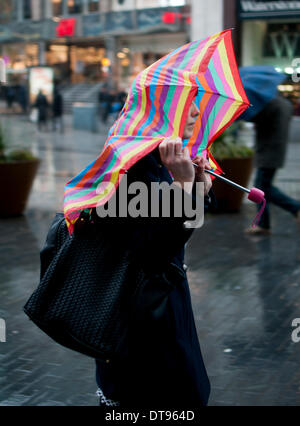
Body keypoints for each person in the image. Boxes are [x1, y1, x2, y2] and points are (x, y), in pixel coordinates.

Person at [94, 100, 213, 408]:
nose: (197, 113)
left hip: (163, 306)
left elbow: (177, 236)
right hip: (140, 319)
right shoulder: (130, 164)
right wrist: (185, 185)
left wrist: (197, 190)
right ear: (163, 108)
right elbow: (153, 251)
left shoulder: (160, 159)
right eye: (189, 104)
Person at [246, 94, 300, 235]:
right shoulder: (283, 104)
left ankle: (295, 208)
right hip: (274, 150)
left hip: (268, 151)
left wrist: (255, 120)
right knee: (263, 186)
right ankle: (264, 223)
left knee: (261, 188)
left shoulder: (269, 104)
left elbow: (261, 122)